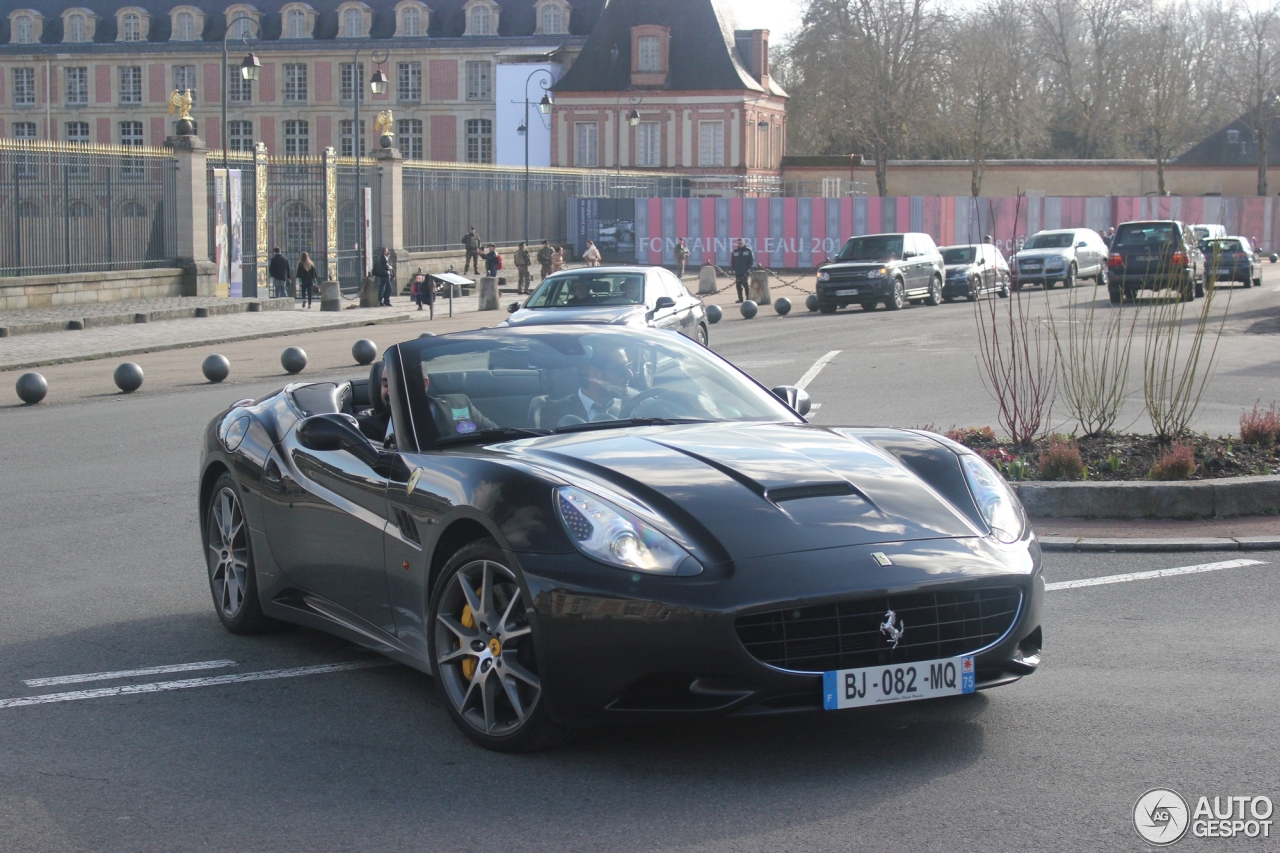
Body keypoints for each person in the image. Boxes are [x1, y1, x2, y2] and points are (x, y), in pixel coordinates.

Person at [535, 345, 632, 428]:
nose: (630, 374)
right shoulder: (555, 411)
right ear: (594, 373)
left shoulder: (633, 407)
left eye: (628, 367)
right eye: (621, 369)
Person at [731, 238, 755, 303]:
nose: (739, 244)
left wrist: (748, 269)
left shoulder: (748, 250)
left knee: (745, 284)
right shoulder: (735, 251)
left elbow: (751, 261)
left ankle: (748, 297)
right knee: (738, 285)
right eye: (738, 243)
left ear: (743, 243)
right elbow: (733, 261)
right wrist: (733, 269)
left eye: (741, 243)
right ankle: (740, 299)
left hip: (745, 271)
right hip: (738, 271)